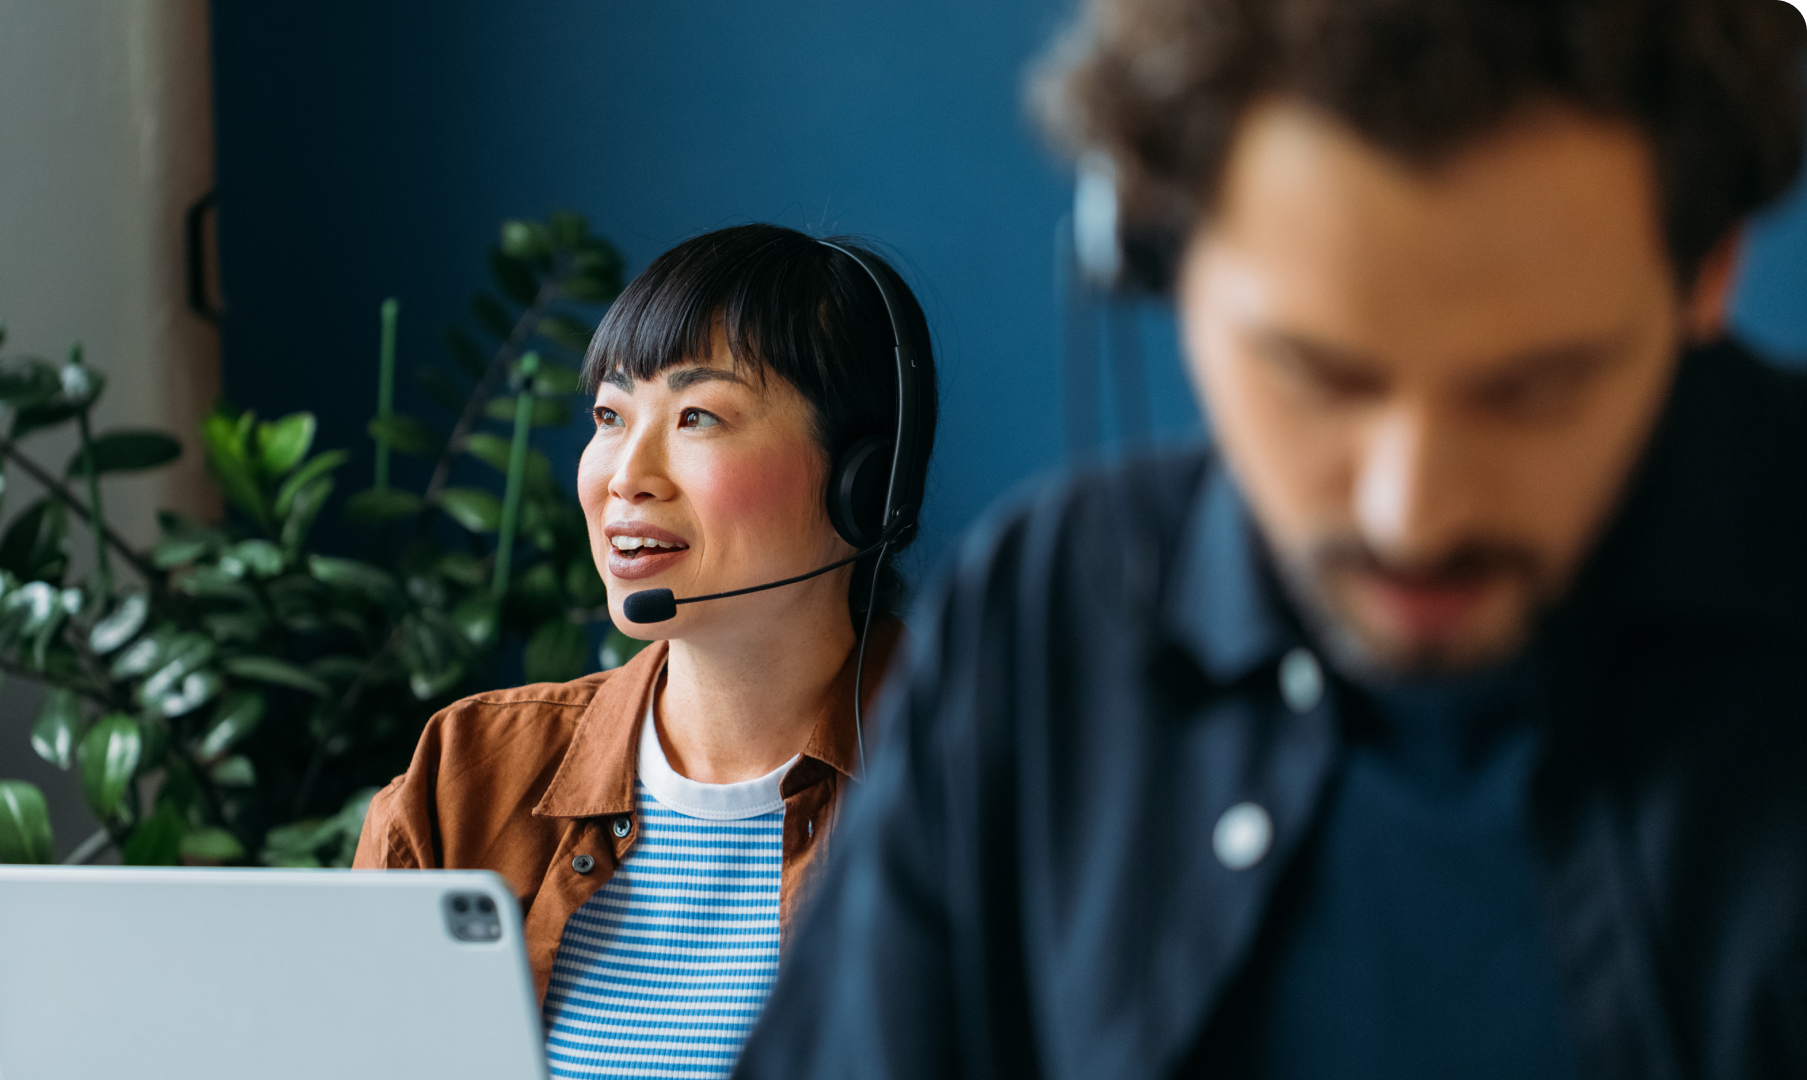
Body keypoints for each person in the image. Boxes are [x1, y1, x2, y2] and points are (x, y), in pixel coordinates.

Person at [734, 0, 1807, 1078]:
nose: (1411, 515)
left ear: (1707, 274)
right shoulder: (1046, 612)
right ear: (1152, 257)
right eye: (1316, 377)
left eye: (1535, 390)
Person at [354, 222, 939, 1080]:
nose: (627, 473)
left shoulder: (985, 776)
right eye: (609, 416)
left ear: (864, 483)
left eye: (697, 415)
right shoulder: (467, 772)